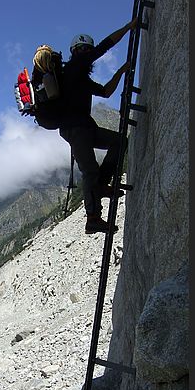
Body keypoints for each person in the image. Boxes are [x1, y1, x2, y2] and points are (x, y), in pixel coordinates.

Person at [59, 19, 137, 234]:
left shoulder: (79, 78)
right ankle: (93, 217)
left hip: (83, 127)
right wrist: (128, 27)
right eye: (83, 50)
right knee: (90, 171)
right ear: (76, 52)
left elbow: (105, 92)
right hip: (76, 129)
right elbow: (104, 47)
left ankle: (102, 185)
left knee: (119, 141)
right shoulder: (74, 69)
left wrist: (121, 71)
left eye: (87, 50)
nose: (87, 53)